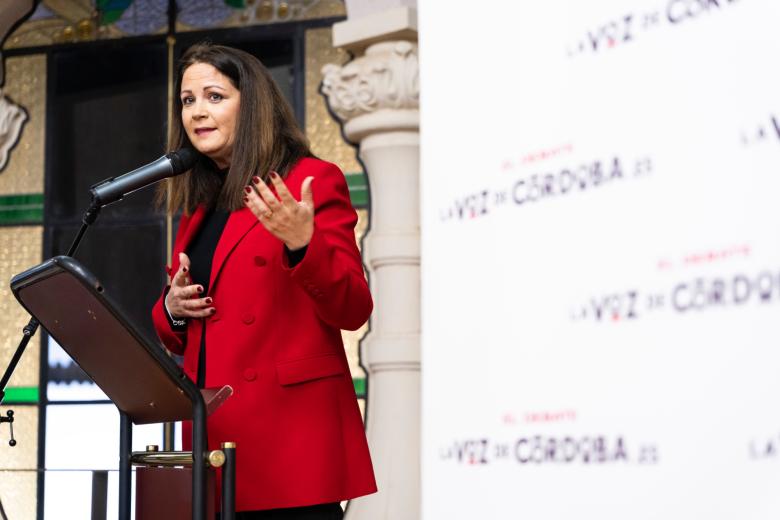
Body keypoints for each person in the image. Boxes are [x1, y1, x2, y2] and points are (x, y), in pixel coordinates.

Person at [151, 42, 376, 519]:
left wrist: (302, 242)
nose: (196, 112)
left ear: (251, 104)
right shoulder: (200, 208)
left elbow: (354, 307)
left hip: (288, 443)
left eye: (214, 96)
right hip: (212, 444)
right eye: (187, 100)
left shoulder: (311, 181)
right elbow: (180, 333)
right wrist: (173, 307)